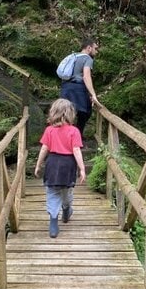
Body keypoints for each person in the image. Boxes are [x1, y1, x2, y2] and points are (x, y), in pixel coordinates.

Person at [33, 98, 86, 238]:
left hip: (52, 163)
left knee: (52, 192)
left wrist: (38, 165)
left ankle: (53, 222)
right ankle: (67, 209)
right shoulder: (74, 131)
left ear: (53, 113)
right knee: (67, 191)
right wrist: (82, 169)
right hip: (68, 164)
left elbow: (44, 149)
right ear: (70, 114)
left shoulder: (49, 130)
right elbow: (76, 150)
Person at [60, 38, 100, 136]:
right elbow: (86, 76)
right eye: (95, 48)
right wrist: (93, 94)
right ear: (89, 48)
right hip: (78, 89)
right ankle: (77, 137)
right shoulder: (87, 58)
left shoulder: (73, 56)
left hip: (66, 88)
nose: (96, 51)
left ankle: (65, 137)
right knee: (85, 112)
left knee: (66, 113)